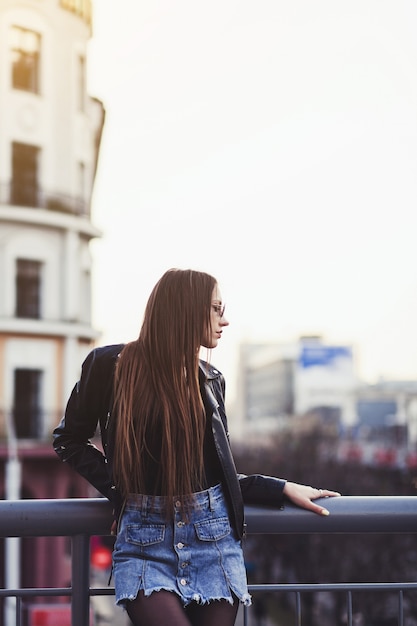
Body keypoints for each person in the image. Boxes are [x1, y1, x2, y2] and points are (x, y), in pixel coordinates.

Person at [53, 268, 340, 626]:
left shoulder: (211, 381)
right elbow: (68, 440)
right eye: (216, 309)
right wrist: (119, 490)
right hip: (145, 542)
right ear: (186, 310)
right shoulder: (109, 366)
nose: (225, 320)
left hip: (213, 538)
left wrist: (281, 488)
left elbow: (215, 475)